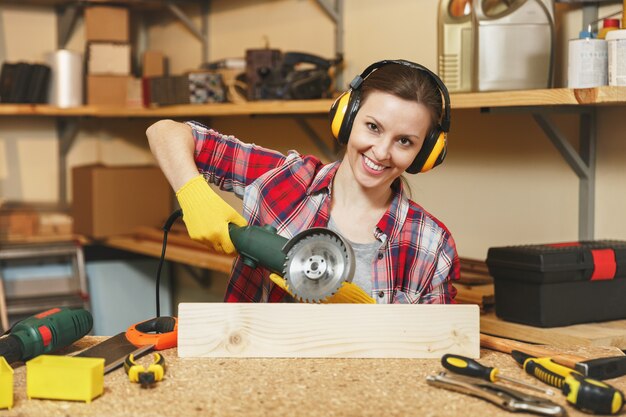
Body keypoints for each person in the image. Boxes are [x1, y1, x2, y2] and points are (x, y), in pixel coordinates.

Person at [146, 59, 459, 304]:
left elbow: (432, 351)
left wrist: (364, 317)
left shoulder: (431, 245)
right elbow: (164, 132)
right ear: (347, 118)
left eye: (404, 141)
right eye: (373, 127)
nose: (381, 151)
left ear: (424, 155)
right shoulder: (284, 180)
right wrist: (193, 193)